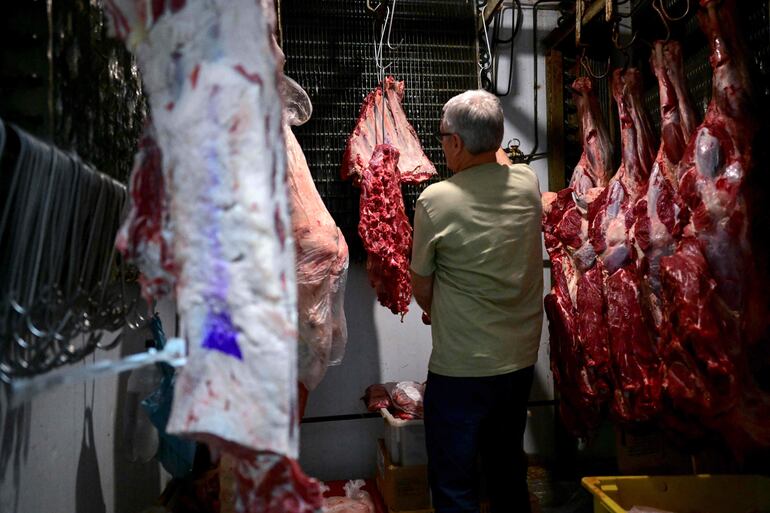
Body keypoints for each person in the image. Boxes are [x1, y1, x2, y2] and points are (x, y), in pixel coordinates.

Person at [410, 90, 543, 513]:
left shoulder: (435, 201)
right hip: (518, 363)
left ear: (455, 143)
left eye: (443, 135)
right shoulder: (528, 183)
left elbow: (421, 285)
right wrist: (486, 132)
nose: (441, 142)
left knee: (455, 485)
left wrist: (436, 309)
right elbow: (500, 159)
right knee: (506, 474)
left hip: (462, 369)